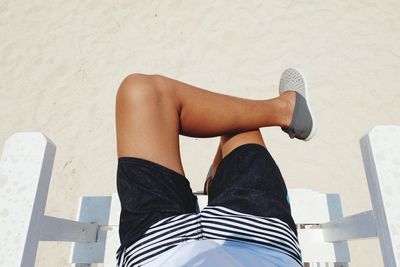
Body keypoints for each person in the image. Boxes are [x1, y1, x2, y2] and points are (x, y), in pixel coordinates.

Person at [115, 68, 316, 267]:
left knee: (142, 92)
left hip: (157, 250)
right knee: (241, 129)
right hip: (257, 246)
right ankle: (283, 110)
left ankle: (285, 110)